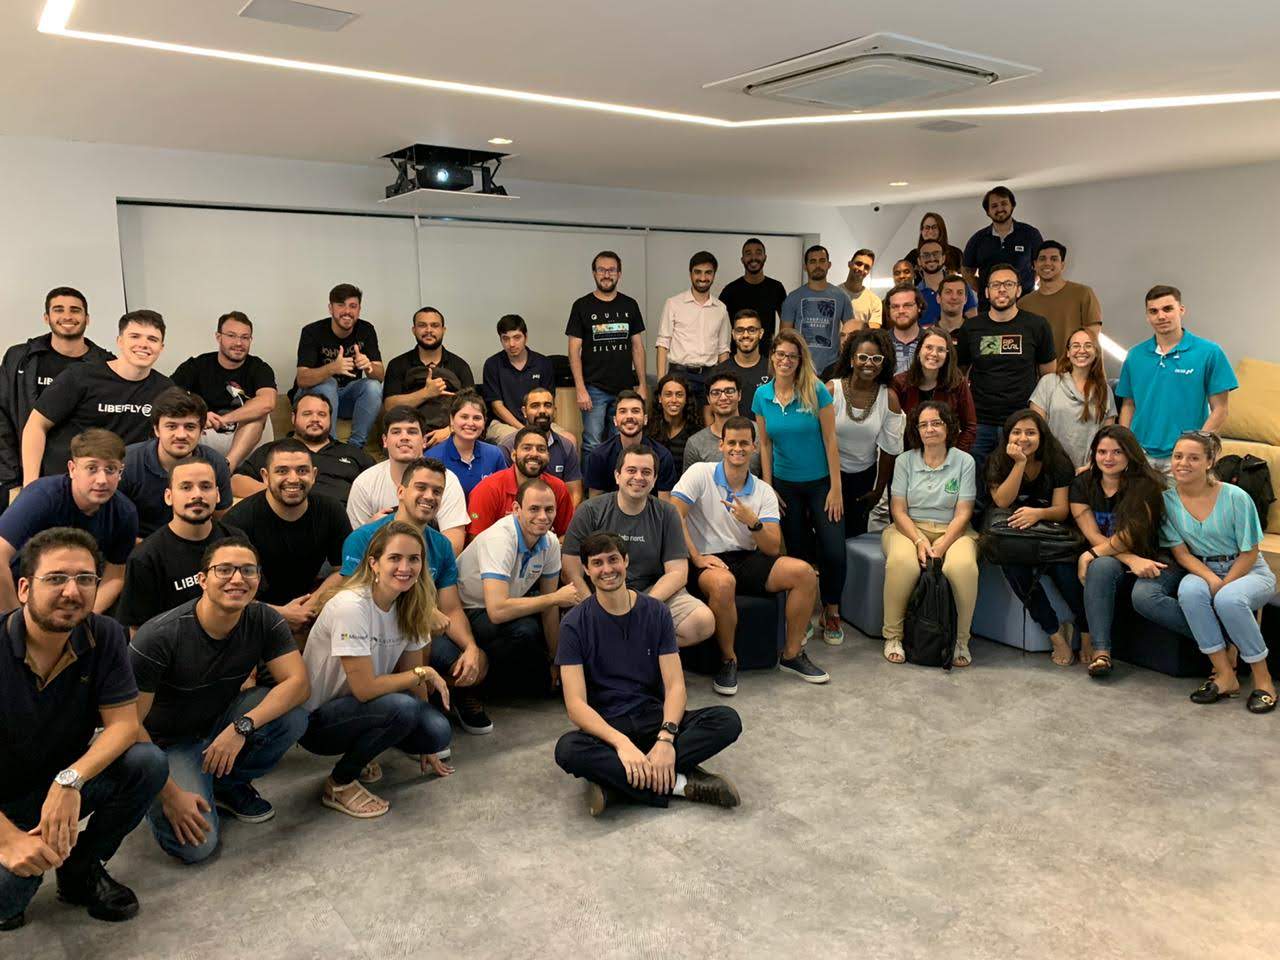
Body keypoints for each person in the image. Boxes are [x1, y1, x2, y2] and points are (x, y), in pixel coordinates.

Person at [0, 528, 166, 930]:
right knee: (7, 900)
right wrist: (8, 840)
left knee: (147, 762)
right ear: (24, 588)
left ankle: (81, 869)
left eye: (85, 579)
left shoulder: (103, 634)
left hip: (57, 780)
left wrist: (70, 780)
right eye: (56, 578)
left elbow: (124, 724)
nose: (72, 592)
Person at [131, 536, 310, 862]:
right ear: (202, 579)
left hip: (219, 723)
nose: (237, 579)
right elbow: (128, 726)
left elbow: (298, 684)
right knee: (196, 847)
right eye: (224, 570)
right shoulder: (159, 636)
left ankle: (226, 786)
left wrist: (241, 727)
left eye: (247, 570)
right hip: (165, 745)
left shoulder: (264, 619)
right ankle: (152, 792)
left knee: (292, 716)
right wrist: (170, 794)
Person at [553, 532, 742, 816]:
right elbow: (576, 705)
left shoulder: (656, 612)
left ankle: (617, 784)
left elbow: (675, 685)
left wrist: (666, 738)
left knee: (727, 720)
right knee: (568, 749)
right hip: (609, 727)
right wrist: (621, 744)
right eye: (597, 563)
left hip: (654, 717)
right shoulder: (573, 624)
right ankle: (679, 783)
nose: (607, 569)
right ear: (586, 570)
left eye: (613, 560)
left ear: (626, 561)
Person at [300, 522, 454, 818]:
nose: (405, 568)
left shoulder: (412, 604)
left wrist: (425, 741)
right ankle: (340, 783)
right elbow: (366, 688)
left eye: (414, 559)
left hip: (362, 707)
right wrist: (425, 674)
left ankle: (363, 751)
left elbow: (413, 675)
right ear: (374, 563)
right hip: (318, 721)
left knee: (436, 731)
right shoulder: (351, 605)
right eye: (394, 558)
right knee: (402, 708)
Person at [673, 418, 829, 689]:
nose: (738, 448)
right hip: (706, 558)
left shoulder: (763, 490)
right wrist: (696, 557)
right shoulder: (700, 473)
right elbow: (674, 515)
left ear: (754, 447)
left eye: (744, 443)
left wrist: (752, 522)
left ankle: (792, 654)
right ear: (721, 445)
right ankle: (728, 660)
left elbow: (771, 547)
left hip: (746, 557)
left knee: (804, 573)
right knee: (724, 583)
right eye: (731, 443)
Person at [340, 459, 492, 734]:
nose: (429, 496)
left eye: (437, 491)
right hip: (375, 637)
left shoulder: (441, 545)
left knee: (477, 661)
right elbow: (353, 598)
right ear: (401, 491)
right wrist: (422, 609)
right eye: (421, 487)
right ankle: (408, 707)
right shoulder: (364, 538)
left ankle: (446, 694)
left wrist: (470, 647)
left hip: (421, 634)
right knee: (419, 636)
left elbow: (451, 608)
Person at [1136, 432, 1277, 711]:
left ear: (1209, 462)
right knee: (1190, 593)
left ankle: (1263, 680)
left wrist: (1224, 584)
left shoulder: (1236, 497)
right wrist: (1212, 578)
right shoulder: (1166, 502)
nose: (1183, 463)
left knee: (1229, 599)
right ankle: (1225, 675)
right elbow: (1182, 554)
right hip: (1203, 567)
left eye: (1193, 458)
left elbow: (1250, 553)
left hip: (1248, 570)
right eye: (1178, 456)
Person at [563, 447, 714, 650]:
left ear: (654, 479)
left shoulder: (668, 513)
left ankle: (632, 648)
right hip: (599, 591)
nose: (639, 477)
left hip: (651, 592)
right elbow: (571, 571)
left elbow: (678, 573)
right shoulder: (589, 510)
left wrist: (641, 607)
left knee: (702, 622)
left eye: (646, 472)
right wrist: (594, 608)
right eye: (631, 470)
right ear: (617, 476)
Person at [752, 329, 845, 644]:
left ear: (800, 360)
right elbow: (764, 445)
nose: (786, 361)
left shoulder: (816, 390)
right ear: (772, 357)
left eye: (792, 356)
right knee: (797, 551)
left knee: (833, 550)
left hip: (821, 485)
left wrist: (836, 488)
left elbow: (831, 440)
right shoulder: (762, 396)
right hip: (784, 486)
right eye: (781, 354)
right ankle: (803, 613)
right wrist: (768, 489)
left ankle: (831, 610)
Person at [456, 479, 579, 696]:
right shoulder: (500, 539)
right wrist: (554, 598)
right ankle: (484, 686)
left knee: (559, 623)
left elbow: (550, 608)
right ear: (516, 509)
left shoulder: (550, 542)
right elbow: (497, 611)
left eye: (549, 509)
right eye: (534, 509)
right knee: (526, 631)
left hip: (506, 606)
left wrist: (556, 660)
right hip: (470, 610)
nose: (543, 516)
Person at [22, 310, 171, 483]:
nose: (143, 344)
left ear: (161, 348)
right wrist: (30, 484)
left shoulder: (165, 390)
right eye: (135, 336)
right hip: (67, 483)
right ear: (120, 341)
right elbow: (36, 425)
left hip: (122, 486)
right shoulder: (80, 376)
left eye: (152, 339)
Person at [882, 402, 980, 666]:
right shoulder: (905, 461)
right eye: (923, 425)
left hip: (954, 530)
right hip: (908, 529)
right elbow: (898, 510)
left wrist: (942, 546)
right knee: (902, 563)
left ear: (949, 427)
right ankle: (893, 636)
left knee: (962, 567)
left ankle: (960, 641)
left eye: (936, 423)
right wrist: (918, 540)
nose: (930, 429)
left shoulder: (964, 461)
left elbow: (964, 513)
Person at [985, 408, 1084, 667]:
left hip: (1050, 534)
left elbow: (1062, 510)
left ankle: (1086, 631)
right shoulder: (997, 460)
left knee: (1067, 575)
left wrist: (1037, 513)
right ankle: (1055, 633)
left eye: (1030, 433)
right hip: (1015, 537)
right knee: (1015, 570)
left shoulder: (1058, 461)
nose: (1023, 438)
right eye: (1016, 432)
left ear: (1042, 436)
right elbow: (1002, 501)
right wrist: (1019, 464)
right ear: (1007, 436)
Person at [0, 430, 136, 614]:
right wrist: (15, 619)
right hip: (18, 590)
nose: (102, 480)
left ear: (120, 472)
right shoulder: (42, 497)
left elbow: (115, 576)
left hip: (75, 595)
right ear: (72, 469)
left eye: (110, 469)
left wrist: (85, 618)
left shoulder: (124, 513)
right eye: (91, 468)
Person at [0, 287, 113, 509]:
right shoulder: (20, 358)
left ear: (87, 318)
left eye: (75, 310)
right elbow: (2, 417)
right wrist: (13, 480)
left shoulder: (106, 364)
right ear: (47, 317)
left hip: (83, 482)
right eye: (59, 310)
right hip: (22, 478)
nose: (67, 316)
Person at [223, 440, 350, 637]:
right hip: (250, 615)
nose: (293, 479)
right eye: (282, 471)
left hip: (310, 607)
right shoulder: (238, 520)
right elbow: (225, 589)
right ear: (265, 476)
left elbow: (344, 569)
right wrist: (281, 614)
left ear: (314, 475)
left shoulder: (331, 510)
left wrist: (310, 606)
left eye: (302, 471)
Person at [1071, 426, 1169, 678]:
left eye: (1117, 452)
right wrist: (1127, 558)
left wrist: (1090, 554)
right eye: (1102, 452)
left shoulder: (1147, 485)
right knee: (1100, 565)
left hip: (1147, 554)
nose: (1108, 458)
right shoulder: (1083, 483)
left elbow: (1131, 536)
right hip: (1117, 556)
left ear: (1130, 454)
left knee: (1097, 561)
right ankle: (1102, 653)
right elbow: (1092, 534)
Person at [116, 458, 245, 635]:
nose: (197, 495)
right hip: (173, 648)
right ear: (168, 496)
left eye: (205, 487)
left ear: (217, 494)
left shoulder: (236, 540)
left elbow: (251, 602)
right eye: (186, 487)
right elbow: (138, 633)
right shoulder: (145, 557)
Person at [953, 263, 1056, 480]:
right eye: (996, 285)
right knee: (975, 483)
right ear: (986, 292)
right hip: (979, 422)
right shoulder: (971, 328)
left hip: (1021, 423)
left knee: (1017, 483)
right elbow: (959, 374)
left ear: (1018, 290)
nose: (1002, 289)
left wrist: (1038, 419)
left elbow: (1049, 377)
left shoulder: (1037, 325)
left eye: (1008, 284)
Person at [1116, 285, 1236, 465]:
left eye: (1167, 309)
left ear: (1181, 310)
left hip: (1185, 458)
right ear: (1147, 316)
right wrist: (1126, 447)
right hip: (1140, 455)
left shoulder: (1209, 352)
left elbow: (1220, 409)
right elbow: (1128, 405)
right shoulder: (1135, 355)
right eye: (1154, 311)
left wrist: (1197, 446)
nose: (1161, 316)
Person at [345, 406, 470, 551]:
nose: (404, 437)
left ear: (424, 440)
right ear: (385, 441)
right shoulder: (365, 482)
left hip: (430, 563)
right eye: (396, 432)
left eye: (412, 432)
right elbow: (354, 548)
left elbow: (453, 546)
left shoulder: (446, 480)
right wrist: (370, 530)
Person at [119, 388, 234, 537]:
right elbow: (113, 524)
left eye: (190, 427)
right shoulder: (128, 462)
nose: (181, 435)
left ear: (201, 431)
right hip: (139, 544)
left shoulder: (216, 463)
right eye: (171, 426)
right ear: (156, 430)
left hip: (196, 541)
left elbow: (222, 520)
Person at [170, 311, 278, 469]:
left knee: (258, 414)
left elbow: (267, 402)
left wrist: (226, 419)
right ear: (218, 337)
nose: (239, 343)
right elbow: (168, 396)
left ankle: (227, 468)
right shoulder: (198, 365)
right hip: (206, 434)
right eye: (231, 336)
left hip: (248, 437)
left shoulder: (259, 367)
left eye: (245, 337)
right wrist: (198, 415)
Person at [566, 251, 647, 457]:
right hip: (594, 389)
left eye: (611, 270)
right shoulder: (581, 306)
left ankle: (618, 478)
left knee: (622, 442)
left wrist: (642, 385)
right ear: (594, 273)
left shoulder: (630, 305)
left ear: (619, 274)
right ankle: (591, 480)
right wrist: (580, 388)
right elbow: (574, 351)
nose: (606, 274)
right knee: (592, 443)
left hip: (624, 388)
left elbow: (637, 347)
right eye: (601, 270)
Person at [828, 329, 905, 538]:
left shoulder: (889, 398)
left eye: (876, 359)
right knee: (829, 536)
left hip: (863, 478)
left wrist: (878, 490)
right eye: (863, 357)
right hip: (828, 475)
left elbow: (889, 450)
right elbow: (815, 439)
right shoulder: (831, 391)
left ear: (883, 363)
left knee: (855, 536)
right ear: (851, 360)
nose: (869, 363)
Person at [232, 392, 373, 504]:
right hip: (286, 518)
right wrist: (279, 493)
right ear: (293, 418)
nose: (315, 419)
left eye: (322, 414)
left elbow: (379, 483)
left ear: (330, 419)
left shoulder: (352, 452)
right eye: (307, 414)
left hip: (343, 521)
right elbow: (236, 482)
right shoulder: (274, 450)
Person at [293, 283, 383, 448]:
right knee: (329, 383)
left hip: (346, 399)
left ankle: (355, 447)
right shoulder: (312, 332)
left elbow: (380, 375)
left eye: (353, 306)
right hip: (314, 398)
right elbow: (302, 379)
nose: (347, 311)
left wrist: (368, 366)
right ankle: (331, 446)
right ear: (330, 308)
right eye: (341, 305)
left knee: (373, 386)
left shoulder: (366, 330)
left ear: (359, 310)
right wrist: (332, 368)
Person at [382, 306, 475, 448]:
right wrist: (426, 393)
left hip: (451, 436)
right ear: (414, 330)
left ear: (443, 330)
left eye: (435, 325)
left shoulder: (460, 366)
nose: (429, 330)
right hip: (409, 437)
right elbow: (390, 406)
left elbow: (473, 407)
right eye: (422, 325)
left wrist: (450, 430)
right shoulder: (397, 364)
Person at [1030, 329, 1117, 468]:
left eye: (1088, 345)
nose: (1082, 350)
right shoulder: (1048, 383)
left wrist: (1091, 465)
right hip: (1051, 469)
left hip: (1088, 470)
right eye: (1076, 346)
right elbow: (1035, 429)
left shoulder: (1104, 390)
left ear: (1096, 352)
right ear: (1068, 352)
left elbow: (1108, 438)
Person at [467, 427, 576, 538]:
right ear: (513, 455)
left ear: (548, 456)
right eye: (527, 448)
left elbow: (567, 535)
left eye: (541, 449)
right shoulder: (488, 489)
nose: (534, 454)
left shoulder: (558, 488)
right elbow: (476, 541)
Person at [654, 251, 730, 404]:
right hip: (679, 375)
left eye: (708, 272)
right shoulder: (673, 304)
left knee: (709, 418)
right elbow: (663, 344)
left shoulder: (721, 309)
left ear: (714, 275)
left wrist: (723, 383)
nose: (703, 278)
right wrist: (661, 383)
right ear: (690, 274)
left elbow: (723, 351)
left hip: (710, 376)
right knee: (678, 418)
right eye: (698, 272)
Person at [892, 329, 977, 452]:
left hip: (946, 454)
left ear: (947, 355)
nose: (934, 353)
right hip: (907, 454)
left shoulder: (958, 383)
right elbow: (892, 427)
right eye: (929, 347)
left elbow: (969, 427)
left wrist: (954, 456)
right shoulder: (899, 383)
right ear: (919, 351)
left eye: (941, 350)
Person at [497, 386, 583, 505]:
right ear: (524, 412)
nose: (542, 411)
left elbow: (574, 493)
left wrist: (565, 516)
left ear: (554, 411)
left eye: (547, 405)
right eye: (535, 406)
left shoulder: (566, 446)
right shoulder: (508, 446)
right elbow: (501, 489)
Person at [584, 391, 678, 498]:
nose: (629, 416)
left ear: (645, 419)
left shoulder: (662, 456)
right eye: (623, 411)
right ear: (615, 420)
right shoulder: (599, 456)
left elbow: (664, 503)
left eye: (635, 411)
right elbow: (595, 502)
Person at [963, 186, 1044, 309]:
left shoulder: (1030, 234)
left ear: (1012, 206)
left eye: (1004, 203)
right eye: (994, 206)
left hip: (1024, 305)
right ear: (988, 212)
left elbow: (1042, 265)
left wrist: (1027, 285)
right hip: (988, 307)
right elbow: (966, 271)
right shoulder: (978, 239)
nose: (1000, 209)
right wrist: (986, 289)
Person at [480, 314, 555, 442]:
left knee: (569, 439)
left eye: (517, 337)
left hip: (538, 421)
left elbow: (548, 401)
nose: (511, 344)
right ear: (500, 339)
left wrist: (536, 429)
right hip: (503, 424)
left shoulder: (543, 363)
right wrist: (523, 429)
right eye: (506, 339)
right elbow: (497, 407)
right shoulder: (492, 364)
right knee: (518, 440)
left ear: (526, 337)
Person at [780, 245, 853, 377]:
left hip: (832, 367)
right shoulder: (793, 297)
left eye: (822, 261)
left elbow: (852, 333)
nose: (818, 265)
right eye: (813, 261)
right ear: (805, 266)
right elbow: (785, 337)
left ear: (829, 264)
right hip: (800, 366)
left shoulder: (841, 297)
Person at [1017, 241, 1103, 352]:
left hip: (1074, 363)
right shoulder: (1023, 304)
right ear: (1035, 264)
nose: (1047, 263)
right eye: (1042, 259)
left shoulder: (1083, 293)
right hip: (1035, 363)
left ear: (1062, 265)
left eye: (1054, 259)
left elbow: (1093, 332)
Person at [425, 392, 509, 498]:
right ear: (452, 420)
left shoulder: (495, 454)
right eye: (464, 417)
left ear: (484, 423)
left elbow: (505, 494)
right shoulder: (432, 458)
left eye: (477, 418)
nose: (470, 423)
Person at [683, 371, 763, 475]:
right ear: (708, 399)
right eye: (716, 393)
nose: (723, 397)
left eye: (729, 391)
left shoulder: (760, 434)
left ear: (739, 395)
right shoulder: (695, 443)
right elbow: (690, 484)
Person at [717, 238, 787, 353]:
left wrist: (780, 350)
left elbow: (787, 325)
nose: (753, 257)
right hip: (737, 357)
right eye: (748, 254)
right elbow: (716, 324)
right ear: (742, 259)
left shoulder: (776, 288)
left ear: (765, 257)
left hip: (768, 358)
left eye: (758, 253)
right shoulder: (730, 290)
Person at [709, 309, 772, 419]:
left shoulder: (773, 369)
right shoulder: (719, 372)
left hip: (764, 430)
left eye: (752, 330)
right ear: (733, 334)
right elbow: (709, 412)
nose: (745, 335)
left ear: (761, 333)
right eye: (740, 330)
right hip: (729, 430)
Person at [645, 374, 700, 472]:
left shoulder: (696, 433)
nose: (674, 400)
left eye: (679, 395)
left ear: (686, 399)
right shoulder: (647, 430)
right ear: (660, 398)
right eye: (668, 394)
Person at [916, 240, 977, 327]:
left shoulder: (961, 286)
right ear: (919, 261)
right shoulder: (915, 294)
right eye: (926, 255)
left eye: (936, 254)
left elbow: (973, 321)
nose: (931, 258)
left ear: (943, 258)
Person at [883, 284, 925, 376]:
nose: (901, 311)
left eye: (907, 305)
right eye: (895, 306)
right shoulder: (880, 342)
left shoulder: (930, 341)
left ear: (919, 307)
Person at [839, 248, 882, 330]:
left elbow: (874, 332)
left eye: (867, 267)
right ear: (849, 264)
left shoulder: (875, 301)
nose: (862, 269)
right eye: (858, 264)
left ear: (869, 271)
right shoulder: (832, 294)